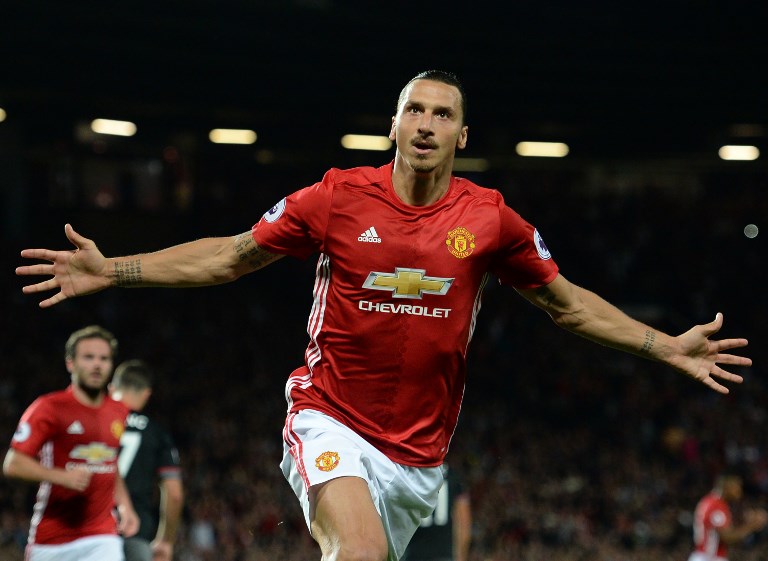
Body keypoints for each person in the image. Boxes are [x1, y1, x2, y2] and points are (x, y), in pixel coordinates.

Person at [14, 70, 753, 561]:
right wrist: (115, 268)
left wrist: (664, 346)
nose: (427, 123)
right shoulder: (337, 197)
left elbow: (566, 304)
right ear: (393, 126)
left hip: (418, 459)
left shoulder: (490, 221)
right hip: (328, 414)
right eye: (415, 110)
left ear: (463, 136)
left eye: (443, 113)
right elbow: (233, 254)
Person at [2, 325, 140, 561]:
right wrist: (62, 476)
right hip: (51, 539)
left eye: (104, 358)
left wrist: (125, 505)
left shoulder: (119, 411)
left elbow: (109, 460)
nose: (97, 364)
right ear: (70, 364)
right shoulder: (49, 407)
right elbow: (13, 464)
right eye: (88, 357)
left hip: (102, 536)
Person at [110, 360, 184, 561]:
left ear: (111, 388)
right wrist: (165, 540)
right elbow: (174, 493)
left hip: (91, 532)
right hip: (136, 534)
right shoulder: (156, 432)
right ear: (146, 394)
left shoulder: (95, 424)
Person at [688, 471, 768, 561]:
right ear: (727, 486)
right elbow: (727, 537)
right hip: (710, 557)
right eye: (737, 486)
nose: (739, 490)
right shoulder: (716, 506)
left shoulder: (709, 500)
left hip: (704, 555)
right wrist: (753, 525)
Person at [402, 464, 471, 561]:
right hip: (444, 554)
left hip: (414, 554)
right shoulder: (453, 476)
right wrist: (460, 557)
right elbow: (463, 522)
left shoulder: (408, 475)